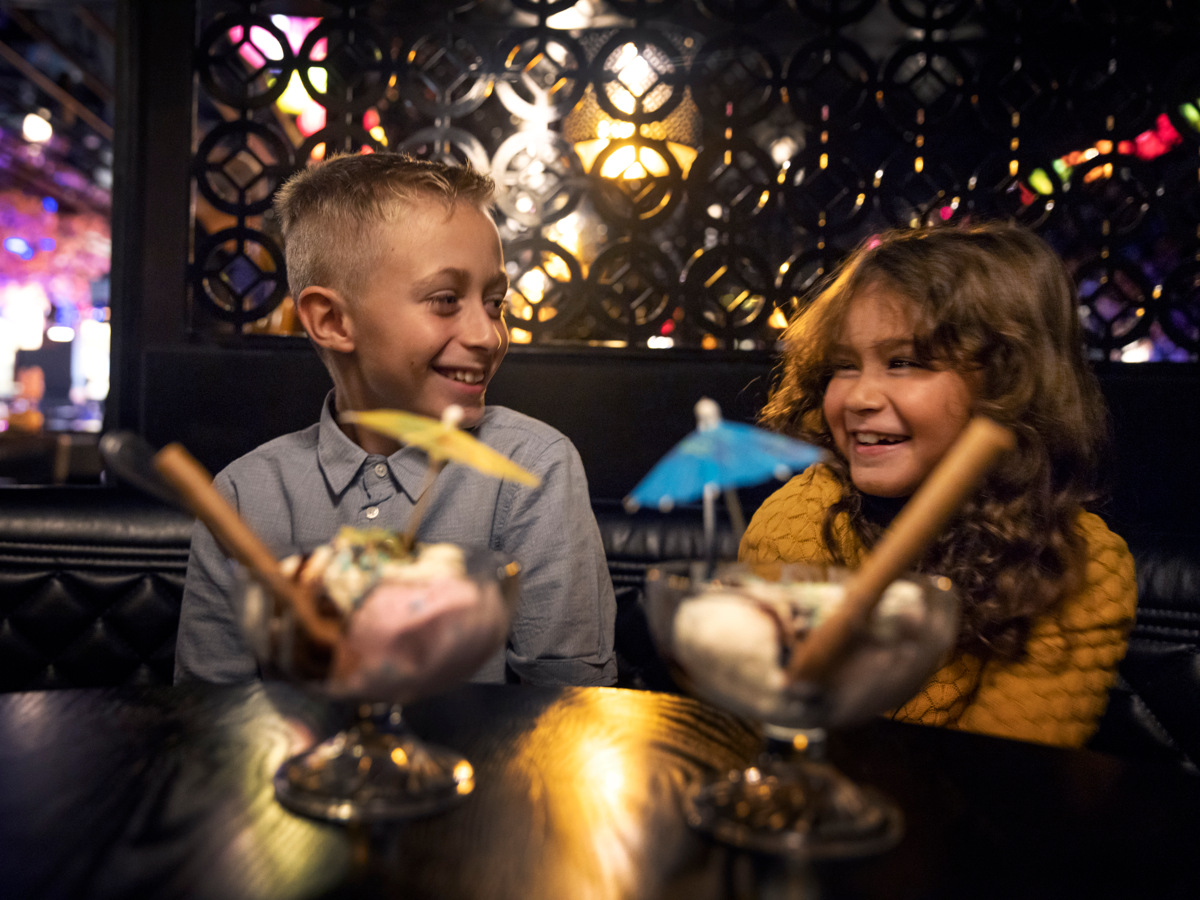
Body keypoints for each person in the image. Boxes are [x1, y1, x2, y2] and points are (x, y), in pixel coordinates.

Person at [175, 152, 617, 687]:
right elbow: (210, 718)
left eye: (495, 302)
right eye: (446, 299)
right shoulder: (246, 496)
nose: (488, 335)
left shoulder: (531, 468)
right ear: (332, 320)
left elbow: (570, 705)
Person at [739, 222, 1136, 748]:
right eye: (843, 366)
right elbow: (756, 735)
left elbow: (1002, 785)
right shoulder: (802, 516)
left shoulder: (1076, 565)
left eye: (903, 362)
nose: (859, 397)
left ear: (1009, 383)